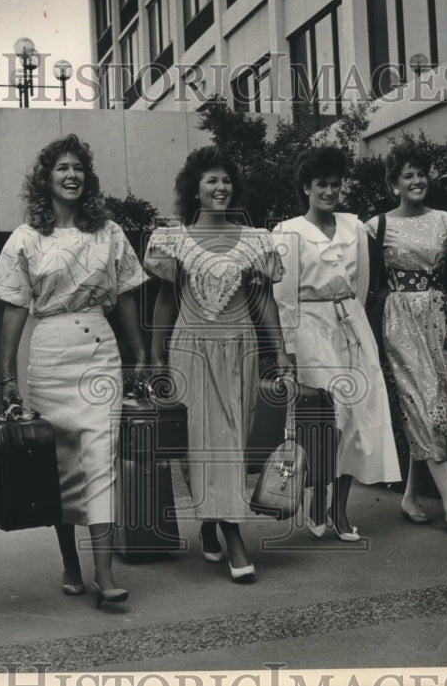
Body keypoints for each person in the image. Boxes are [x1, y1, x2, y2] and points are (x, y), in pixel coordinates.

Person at [0, 134, 147, 608]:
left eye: (78, 167)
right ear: (46, 180)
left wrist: (139, 354)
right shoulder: (26, 238)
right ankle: (69, 561)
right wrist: (8, 381)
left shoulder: (110, 232)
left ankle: (104, 572)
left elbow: (130, 295)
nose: (72, 175)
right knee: (58, 464)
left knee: (100, 458)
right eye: (62, 168)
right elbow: (13, 310)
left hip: (99, 350)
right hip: (50, 351)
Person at [145, 146, 291, 583]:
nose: (220, 187)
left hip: (240, 347)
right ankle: (233, 538)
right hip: (190, 347)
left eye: (226, 180)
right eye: (211, 180)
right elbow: (166, 301)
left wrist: (280, 352)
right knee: (199, 444)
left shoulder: (255, 240)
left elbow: (263, 302)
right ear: (195, 189)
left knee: (232, 441)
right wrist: (154, 355)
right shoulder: (173, 240)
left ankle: (213, 523)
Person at [272, 147, 401, 541]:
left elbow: (361, 287)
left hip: (350, 326)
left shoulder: (354, 227)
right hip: (310, 330)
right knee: (328, 417)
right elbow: (283, 296)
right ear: (305, 188)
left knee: (358, 416)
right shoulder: (289, 232)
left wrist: (353, 322)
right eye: (321, 185)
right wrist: (289, 350)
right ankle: (314, 500)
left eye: (334, 184)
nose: (329, 191)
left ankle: (340, 510)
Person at [365, 149, 447, 531]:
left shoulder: (444, 222)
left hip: (437, 319)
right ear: (393, 185)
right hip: (398, 320)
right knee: (423, 402)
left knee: (435, 405)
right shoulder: (376, 226)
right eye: (407, 177)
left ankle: (409, 496)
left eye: (420, 175)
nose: (416, 181)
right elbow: (367, 285)